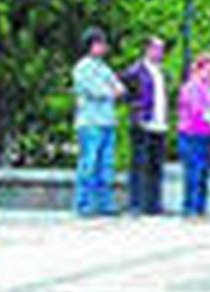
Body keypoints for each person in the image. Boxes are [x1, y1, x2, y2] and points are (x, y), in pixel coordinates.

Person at [71, 27, 124, 217]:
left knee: (105, 165)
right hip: (90, 122)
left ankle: (104, 204)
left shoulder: (104, 67)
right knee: (89, 163)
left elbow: (120, 87)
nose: (103, 47)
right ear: (91, 45)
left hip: (107, 121)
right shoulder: (82, 68)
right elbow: (95, 91)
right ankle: (83, 204)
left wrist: (112, 89)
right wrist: (110, 90)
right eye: (100, 44)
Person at [120, 36, 169, 215]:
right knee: (139, 163)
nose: (160, 53)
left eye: (162, 49)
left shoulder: (160, 71)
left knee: (156, 165)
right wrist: (137, 109)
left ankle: (153, 203)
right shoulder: (136, 71)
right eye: (157, 48)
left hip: (159, 122)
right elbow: (124, 90)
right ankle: (136, 203)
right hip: (143, 122)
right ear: (147, 49)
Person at [176, 53, 210, 216]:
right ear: (199, 68)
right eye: (209, 70)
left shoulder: (209, 88)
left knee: (203, 173)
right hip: (191, 134)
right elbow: (198, 110)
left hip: (205, 135)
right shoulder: (191, 87)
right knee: (193, 172)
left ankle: (200, 209)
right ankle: (190, 208)